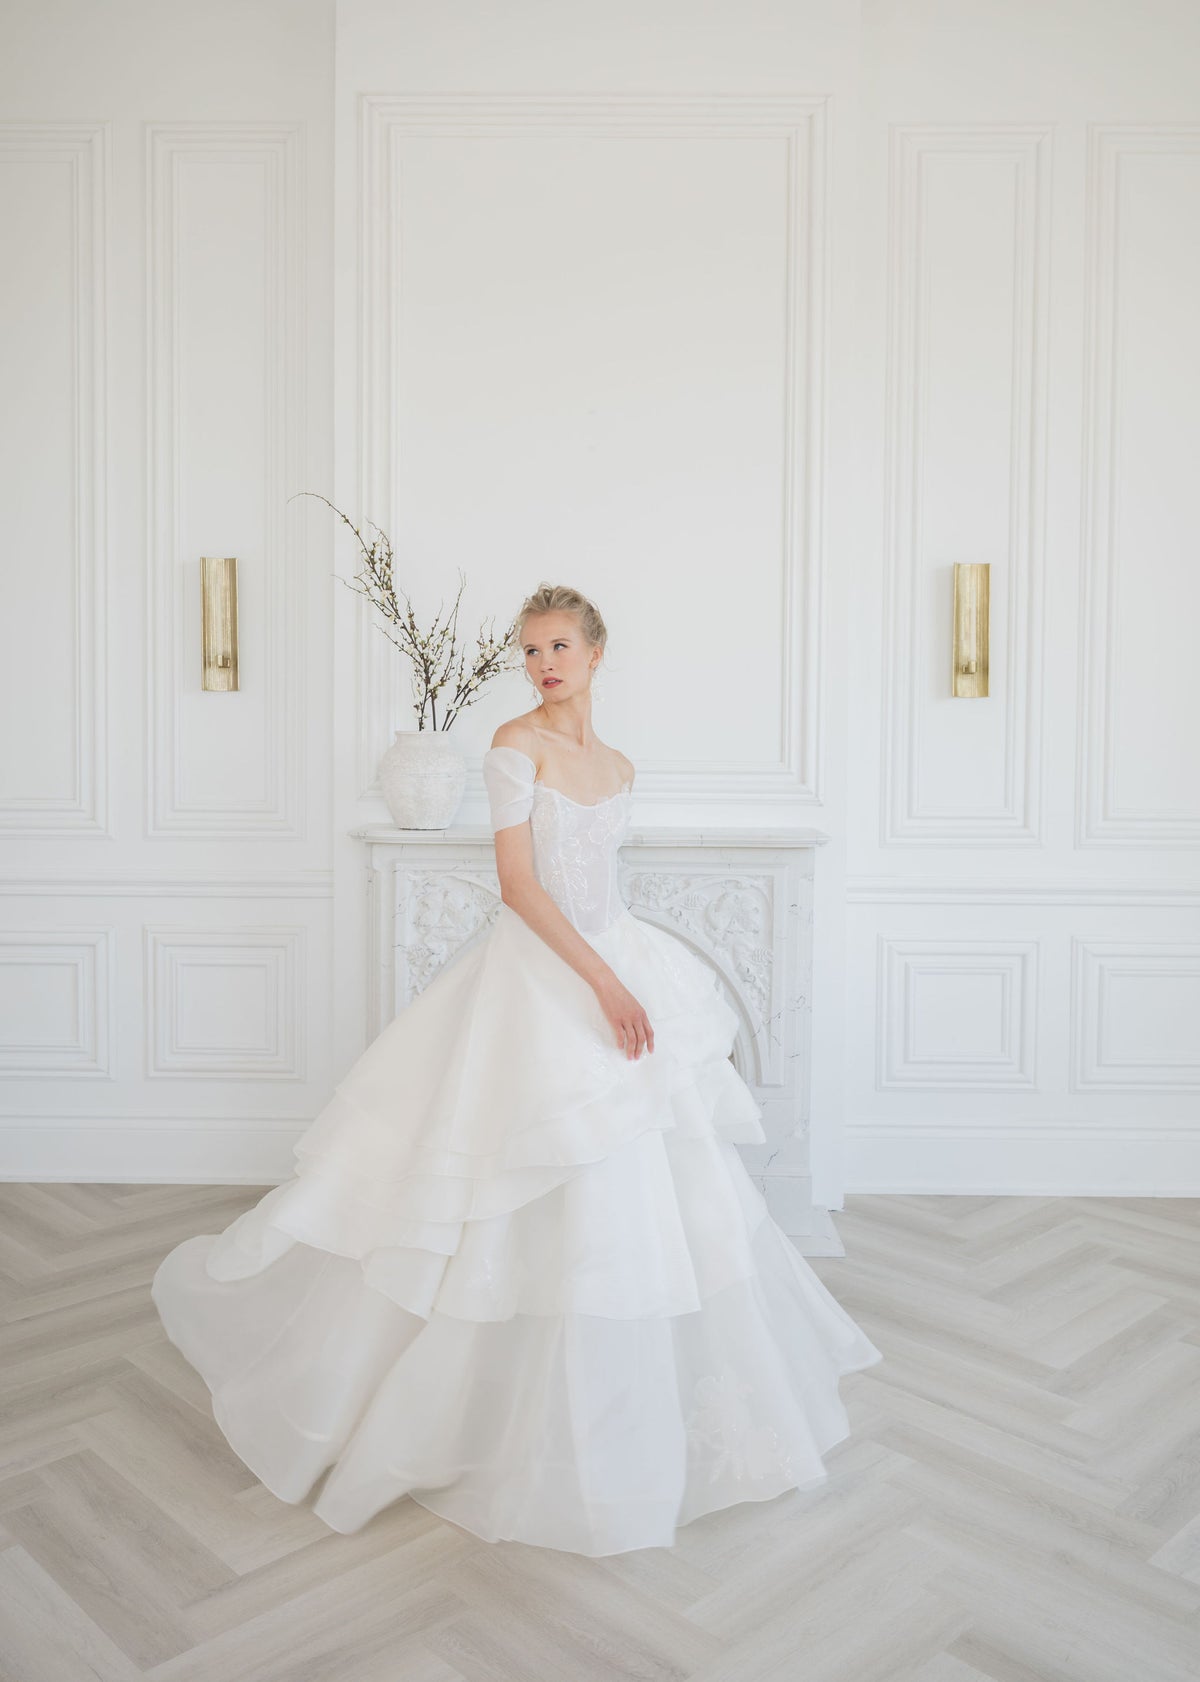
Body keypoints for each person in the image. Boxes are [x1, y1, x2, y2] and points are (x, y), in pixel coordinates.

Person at [151, 583, 883, 1555]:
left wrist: (627, 979)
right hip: (542, 976)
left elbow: (602, 885)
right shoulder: (514, 744)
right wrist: (603, 985)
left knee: (632, 1192)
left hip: (617, 956)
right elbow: (519, 885)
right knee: (503, 1186)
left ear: (595, 653)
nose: (544, 663)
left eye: (560, 646)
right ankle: (471, 1411)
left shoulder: (619, 763)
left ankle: (614, 1417)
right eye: (531, 648)